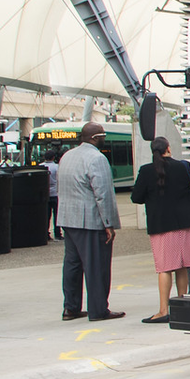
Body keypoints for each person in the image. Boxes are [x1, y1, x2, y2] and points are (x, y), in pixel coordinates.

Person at [58, 122, 123, 322]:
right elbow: (103, 194)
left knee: (72, 265)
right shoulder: (97, 158)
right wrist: (109, 223)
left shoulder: (66, 156)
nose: (104, 139)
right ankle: (98, 310)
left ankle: (71, 308)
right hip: (91, 221)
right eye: (102, 136)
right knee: (97, 266)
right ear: (95, 138)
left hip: (68, 219)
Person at [130, 136, 190, 324]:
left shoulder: (146, 171)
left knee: (165, 268)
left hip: (161, 225)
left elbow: (136, 197)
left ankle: (163, 310)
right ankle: (183, 306)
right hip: (184, 223)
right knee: (183, 267)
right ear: (168, 148)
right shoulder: (182, 167)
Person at [44, 147, 62, 240]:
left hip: (45, 195)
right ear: (53, 157)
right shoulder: (57, 167)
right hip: (55, 193)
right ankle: (57, 234)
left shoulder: (41, 166)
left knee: (46, 216)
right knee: (56, 216)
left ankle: (46, 234)